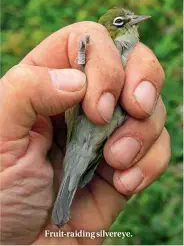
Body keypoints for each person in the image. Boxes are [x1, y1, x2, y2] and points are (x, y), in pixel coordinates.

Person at [0, 22, 170, 245]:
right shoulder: (103, 48)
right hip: (79, 129)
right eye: (121, 21)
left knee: (132, 109)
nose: (133, 22)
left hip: (98, 142)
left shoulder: (131, 55)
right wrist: (82, 56)